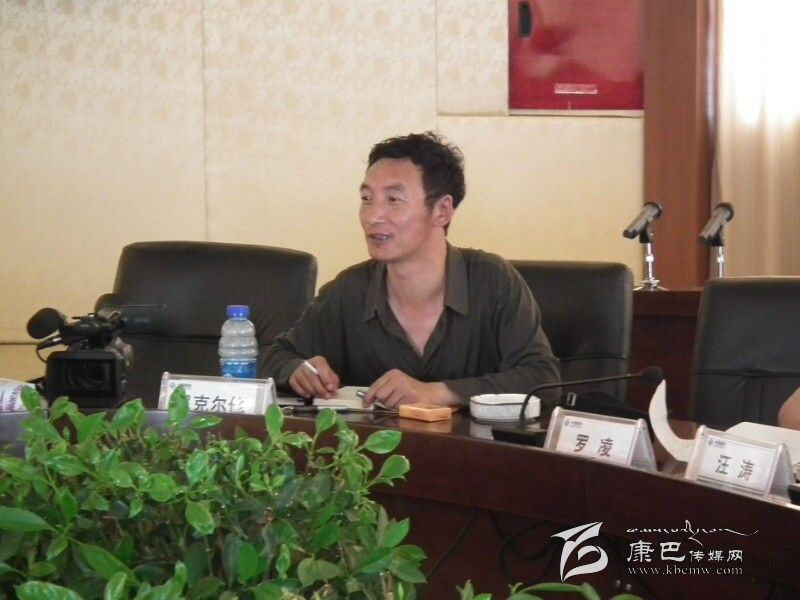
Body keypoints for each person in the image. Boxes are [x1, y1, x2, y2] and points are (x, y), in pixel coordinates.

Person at [261, 131, 560, 407]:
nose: (373, 216)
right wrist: (298, 370)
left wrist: (435, 393)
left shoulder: (493, 280)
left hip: (473, 448)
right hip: (377, 449)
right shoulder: (349, 289)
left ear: (442, 210)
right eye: (367, 199)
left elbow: (542, 379)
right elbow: (274, 356)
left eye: (393, 200)